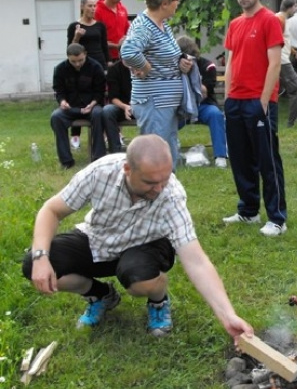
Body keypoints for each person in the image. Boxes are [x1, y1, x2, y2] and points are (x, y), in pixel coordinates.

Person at [22, 134, 254, 342]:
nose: (160, 189)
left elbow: (196, 260)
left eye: (165, 179)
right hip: (99, 239)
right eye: (151, 182)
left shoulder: (171, 196)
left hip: (147, 245)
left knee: (137, 275)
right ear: (127, 169)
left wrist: (227, 315)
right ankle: (100, 295)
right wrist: (41, 257)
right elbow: (51, 210)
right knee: (33, 263)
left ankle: (158, 300)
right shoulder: (100, 172)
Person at [221, 0, 288, 237]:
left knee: (267, 161)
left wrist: (264, 100)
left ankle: (277, 219)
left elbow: (275, 64)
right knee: (240, 159)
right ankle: (248, 211)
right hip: (235, 101)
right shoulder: (236, 23)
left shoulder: (270, 20)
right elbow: (230, 61)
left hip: (258, 102)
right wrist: (226, 96)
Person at [120, 0, 194, 169]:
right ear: (164, 2)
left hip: (165, 104)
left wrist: (180, 63)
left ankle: (167, 198)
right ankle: (153, 197)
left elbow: (163, 56)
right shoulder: (144, 26)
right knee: (155, 159)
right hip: (153, 104)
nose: (178, 3)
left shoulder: (163, 25)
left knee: (168, 155)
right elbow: (128, 52)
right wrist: (145, 67)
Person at [175, 36, 229, 168]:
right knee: (167, 118)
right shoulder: (172, 66)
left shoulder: (207, 65)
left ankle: (220, 156)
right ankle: (172, 152)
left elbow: (203, 93)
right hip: (181, 107)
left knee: (216, 115)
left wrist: (191, 74)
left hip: (203, 105)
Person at [50, 44, 106, 169]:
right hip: (70, 107)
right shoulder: (60, 69)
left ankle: (98, 157)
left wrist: (92, 104)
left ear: (85, 54)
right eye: (73, 61)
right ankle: (66, 161)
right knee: (56, 117)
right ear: (68, 57)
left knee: (98, 114)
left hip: (91, 106)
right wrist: (62, 101)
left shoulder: (96, 67)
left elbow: (100, 92)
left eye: (80, 60)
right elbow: (59, 91)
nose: (77, 64)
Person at [67, 0, 110, 152]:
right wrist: (77, 37)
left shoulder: (100, 26)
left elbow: (104, 46)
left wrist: (108, 64)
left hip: (99, 65)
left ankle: (103, 133)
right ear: (82, 7)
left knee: (101, 97)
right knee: (78, 96)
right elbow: (70, 49)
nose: (93, 9)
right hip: (81, 66)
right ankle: (75, 134)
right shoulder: (74, 26)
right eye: (90, 6)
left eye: (94, 6)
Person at [276, 0, 297, 128]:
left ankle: (294, 120)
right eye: (295, 6)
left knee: (293, 90)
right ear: (291, 6)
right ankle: (291, 123)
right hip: (282, 61)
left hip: (284, 59)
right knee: (296, 90)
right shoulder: (279, 20)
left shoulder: (283, 19)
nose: (296, 9)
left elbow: (285, 42)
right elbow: (274, 42)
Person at [95, 0, 130, 64]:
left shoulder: (122, 9)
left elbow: (128, 31)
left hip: (123, 55)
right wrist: (116, 46)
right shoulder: (97, 11)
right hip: (106, 56)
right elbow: (97, 39)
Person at [102, 61, 134, 153]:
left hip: (142, 106)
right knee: (107, 110)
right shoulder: (114, 70)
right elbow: (113, 97)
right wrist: (125, 107)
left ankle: (147, 150)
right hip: (121, 106)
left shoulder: (144, 66)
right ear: (120, 55)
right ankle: (115, 151)